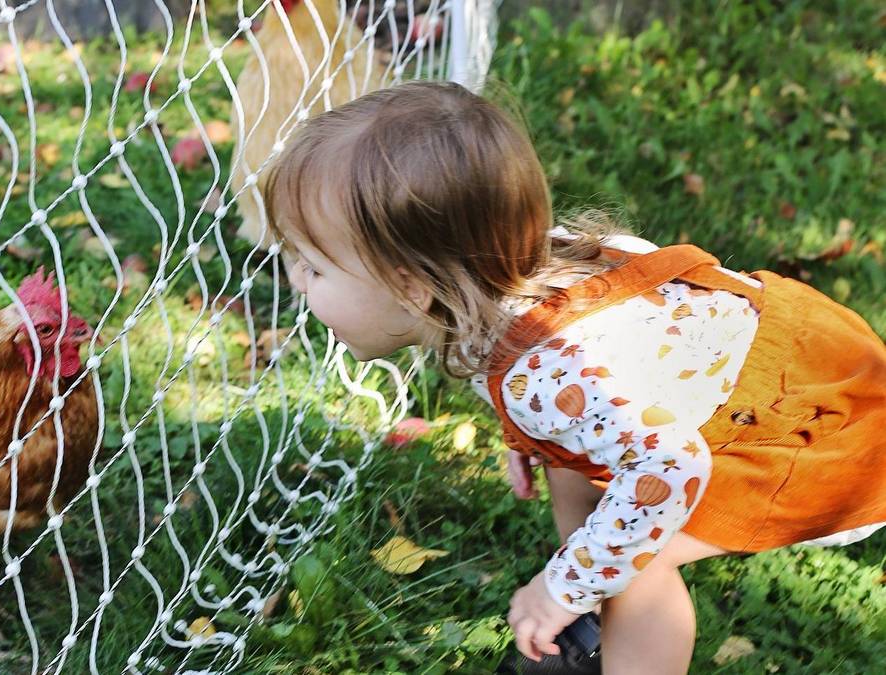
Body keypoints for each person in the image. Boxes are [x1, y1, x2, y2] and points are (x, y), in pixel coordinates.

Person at [261, 80, 886, 673]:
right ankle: (591, 600)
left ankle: (600, 607)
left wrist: (564, 588)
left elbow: (669, 466)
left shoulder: (547, 370)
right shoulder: (508, 276)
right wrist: (535, 436)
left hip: (824, 426)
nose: (294, 281)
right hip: (789, 362)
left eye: (312, 268)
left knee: (636, 565)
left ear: (411, 287)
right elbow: (608, 373)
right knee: (584, 491)